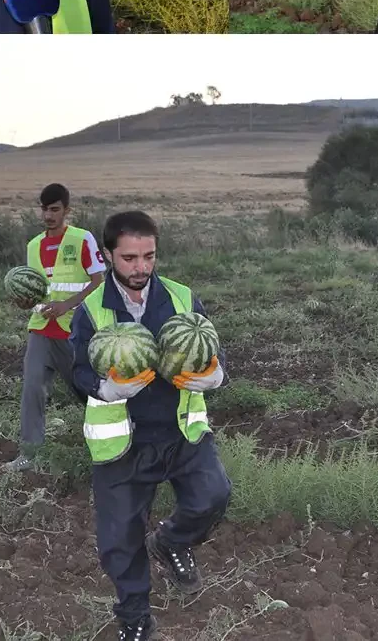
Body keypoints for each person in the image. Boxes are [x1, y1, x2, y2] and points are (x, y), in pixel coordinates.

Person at [70, 211, 231, 641]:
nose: (141, 267)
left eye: (149, 256)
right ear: (107, 256)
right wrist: (106, 388)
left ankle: (173, 542)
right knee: (119, 541)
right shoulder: (89, 310)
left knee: (213, 497)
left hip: (180, 431)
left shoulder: (181, 297)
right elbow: (77, 371)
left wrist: (216, 375)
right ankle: (136, 618)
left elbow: (209, 347)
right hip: (123, 441)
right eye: (129, 258)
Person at [1, 183, 106, 473]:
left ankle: (118, 436)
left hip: (75, 330)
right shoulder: (33, 246)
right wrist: (25, 302)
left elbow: (99, 282)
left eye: (54, 209)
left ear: (66, 211)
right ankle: (29, 453)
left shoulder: (82, 239)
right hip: (41, 329)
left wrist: (67, 305)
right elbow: (36, 291)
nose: (48, 215)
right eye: (45, 209)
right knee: (32, 388)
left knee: (88, 391)